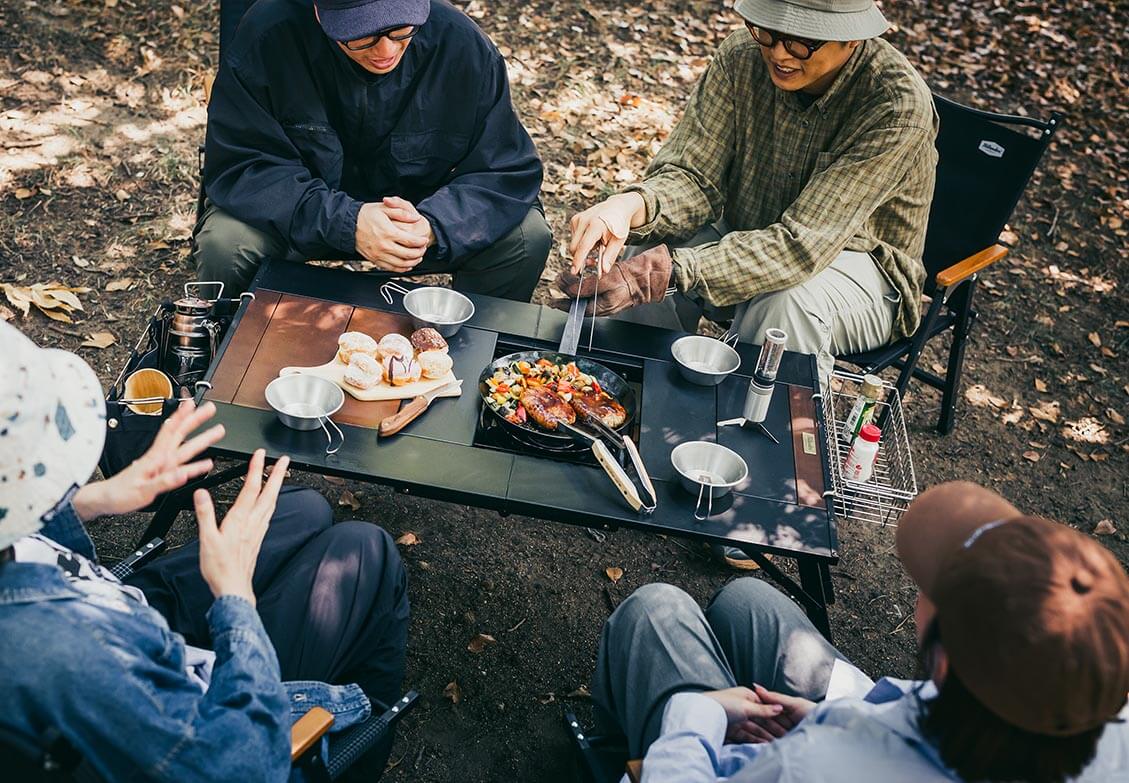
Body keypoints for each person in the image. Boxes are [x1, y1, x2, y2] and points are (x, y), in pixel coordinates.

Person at [0, 321, 410, 781]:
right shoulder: (72, 659)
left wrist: (95, 499)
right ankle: (355, 748)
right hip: (198, 701)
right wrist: (235, 599)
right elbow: (236, 765)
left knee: (302, 509)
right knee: (365, 548)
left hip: (122, 611)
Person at [591, 481, 1129, 782]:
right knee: (746, 600)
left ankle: (621, 741)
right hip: (867, 723)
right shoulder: (1102, 716)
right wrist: (839, 716)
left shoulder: (816, 768)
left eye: (942, 584)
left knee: (656, 612)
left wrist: (701, 714)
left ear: (942, 660)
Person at [562, 0, 937, 384]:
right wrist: (629, 206)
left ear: (852, 38)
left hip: (862, 264)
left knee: (785, 305)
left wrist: (667, 272)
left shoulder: (895, 107)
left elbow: (800, 244)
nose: (777, 53)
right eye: (768, 32)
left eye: (801, 43)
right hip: (752, 228)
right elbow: (693, 175)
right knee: (649, 242)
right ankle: (632, 388)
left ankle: (746, 434)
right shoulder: (742, 55)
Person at [196, 0, 551, 301]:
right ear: (320, 12)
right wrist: (349, 223)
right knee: (226, 243)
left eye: (401, 30)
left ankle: (471, 355)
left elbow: (504, 170)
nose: (386, 51)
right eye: (361, 35)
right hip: (301, 218)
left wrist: (434, 225)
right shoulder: (267, 38)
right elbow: (245, 167)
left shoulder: (462, 45)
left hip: (416, 222)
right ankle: (232, 358)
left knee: (525, 237)